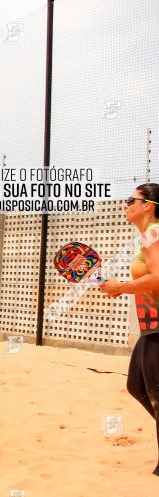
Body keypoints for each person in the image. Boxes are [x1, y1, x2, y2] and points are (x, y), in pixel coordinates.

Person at [98, 183, 159, 476]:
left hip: (158, 326)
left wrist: (121, 287)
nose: (126, 204)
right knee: (136, 386)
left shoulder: (153, 234)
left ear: (147, 205)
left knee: (156, 395)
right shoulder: (148, 237)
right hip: (151, 325)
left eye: (130, 200)